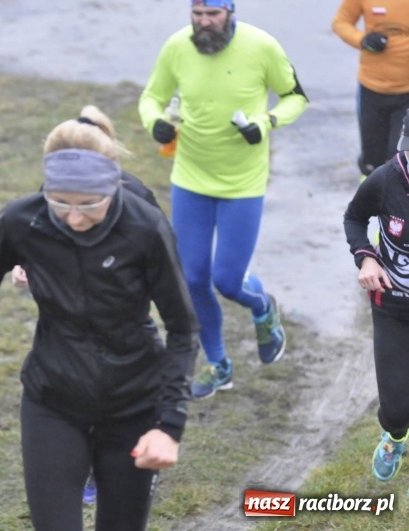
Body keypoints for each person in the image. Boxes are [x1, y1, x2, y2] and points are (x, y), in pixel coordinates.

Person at [0, 107, 201, 531]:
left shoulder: (145, 227)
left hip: (134, 402)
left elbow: (182, 328)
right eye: (60, 203)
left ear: (113, 186)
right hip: (52, 400)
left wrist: (169, 424)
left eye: (90, 204)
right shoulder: (22, 220)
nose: (74, 217)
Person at [138, 0, 308, 399]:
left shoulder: (262, 46)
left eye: (212, 15)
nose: (204, 22)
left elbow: (296, 97)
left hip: (243, 184)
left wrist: (266, 122)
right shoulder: (177, 46)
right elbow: (151, 97)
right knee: (192, 278)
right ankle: (218, 365)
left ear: (230, 12)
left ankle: (263, 307)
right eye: (197, 15)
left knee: (228, 281)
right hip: (190, 180)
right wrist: (155, 123)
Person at [9, 105, 164, 506]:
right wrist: (26, 267)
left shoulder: (136, 196)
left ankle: (140, 450)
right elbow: (38, 238)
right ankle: (88, 460)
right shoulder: (53, 190)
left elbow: (163, 258)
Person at [343, 109, 409, 482]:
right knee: (396, 411)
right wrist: (366, 257)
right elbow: (354, 217)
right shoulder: (385, 179)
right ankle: (395, 437)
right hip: (392, 307)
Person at [332, 0, 409, 178]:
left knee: (399, 159)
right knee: (372, 160)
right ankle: (368, 193)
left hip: (406, 94)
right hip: (371, 89)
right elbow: (340, 22)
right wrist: (362, 40)